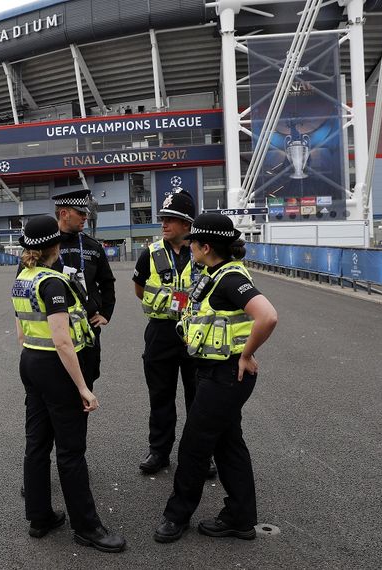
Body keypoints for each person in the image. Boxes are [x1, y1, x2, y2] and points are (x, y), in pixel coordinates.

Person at [154, 213, 278, 543]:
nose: (189, 246)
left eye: (193, 242)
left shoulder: (229, 278)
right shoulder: (213, 274)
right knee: (227, 444)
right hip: (214, 371)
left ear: (206, 246)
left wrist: (247, 353)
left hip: (225, 375)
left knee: (195, 446)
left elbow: (267, 316)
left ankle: (176, 516)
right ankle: (239, 517)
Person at [12, 215, 126, 553]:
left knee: (37, 443)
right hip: (56, 367)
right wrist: (82, 387)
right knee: (71, 450)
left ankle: (40, 517)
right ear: (54, 246)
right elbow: (63, 341)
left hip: (31, 360)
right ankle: (87, 527)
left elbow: (20, 331)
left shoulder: (23, 278)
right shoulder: (53, 283)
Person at [132, 190, 216, 476]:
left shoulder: (204, 252)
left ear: (187, 225)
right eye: (163, 219)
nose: (164, 224)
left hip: (196, 332)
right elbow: (139, 289)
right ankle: (159, 450)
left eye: (171, 219)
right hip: (161, 332)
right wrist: (167, 306)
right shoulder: (150, 253)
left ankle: (201, 455)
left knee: (199, 398)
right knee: (161, 396)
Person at [51, 189, 116, 385]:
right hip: (55, 328)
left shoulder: (92, 246)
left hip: (87, 328)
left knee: (86, 383)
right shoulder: (45, 247)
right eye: (80, 213)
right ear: (64, 214)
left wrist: (105, 313)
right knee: (57, 386)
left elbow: (107, 282)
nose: (86, 217)